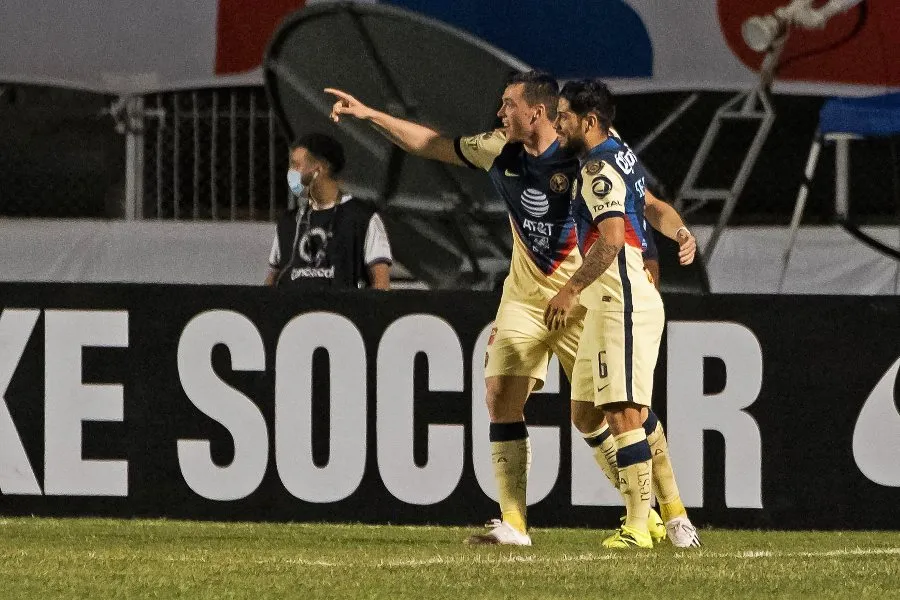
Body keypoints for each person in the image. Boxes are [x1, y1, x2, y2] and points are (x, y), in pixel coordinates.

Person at [326, 73, 692, 547]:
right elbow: (432, 144)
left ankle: (667, 513)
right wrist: (370, 114)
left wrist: (661, 249)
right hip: (526, 298)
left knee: (609, 413)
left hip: (581, 298)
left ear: (536, 113)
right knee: (500, 395)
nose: (500, 113)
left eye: (508, 105)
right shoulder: (499, 149)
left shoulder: (586, 147)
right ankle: (515, 524)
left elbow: (641, 203)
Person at [546, 79, 701, 549]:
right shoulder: (619, 152)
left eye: (564, 116)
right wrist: (681, 232)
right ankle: (672, 515)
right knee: (586, 413)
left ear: (589, 121)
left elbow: (612, 239)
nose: (557, 124)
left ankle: (639, 526)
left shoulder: (598, 169)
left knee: (623, 412)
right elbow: (652, 206)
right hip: (607, 305)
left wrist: (570, 289)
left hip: (622, 302)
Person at [265, 133, 392, 290]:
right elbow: (272, 279)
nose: (291, 172)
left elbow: (381, 284)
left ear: (319, 169)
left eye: (296, 165)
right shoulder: (288, 222)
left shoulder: (362, 218)